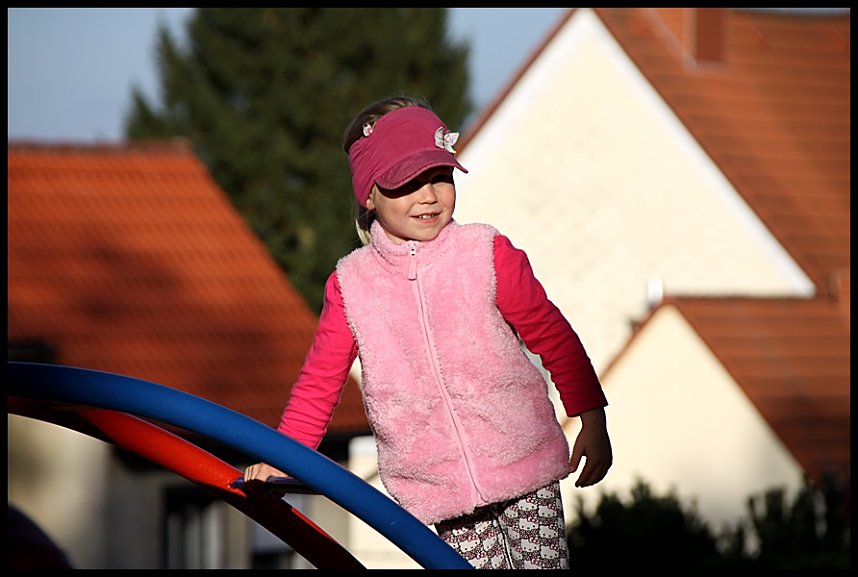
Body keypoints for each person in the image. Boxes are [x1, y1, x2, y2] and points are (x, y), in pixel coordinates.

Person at [244, 95, 612, 569]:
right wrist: (283, 457)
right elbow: (319, 382)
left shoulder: (484, 253)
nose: (429, 195)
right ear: (369, 194)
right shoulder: (352, 286)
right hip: (441, 489)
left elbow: (551, 333)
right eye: (407, 182)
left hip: (522, 465)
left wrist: (591, 416)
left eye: (439, 176)